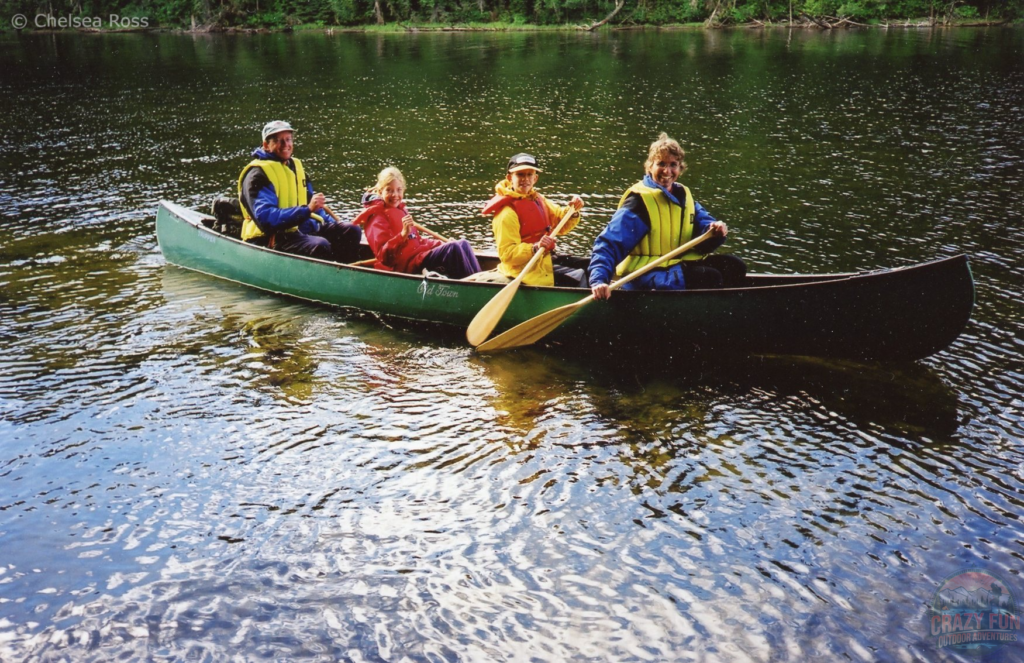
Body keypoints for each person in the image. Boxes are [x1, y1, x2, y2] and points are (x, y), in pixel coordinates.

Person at [588, 133, 746, 300]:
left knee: (735, 266)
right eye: (661, 164)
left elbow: (703, 224)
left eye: (673, 165)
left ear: (680, 168)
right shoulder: (640, 201)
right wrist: (599, 280)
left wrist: (714, 229)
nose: (667, 171)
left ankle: (722, 310)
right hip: (646, 275)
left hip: (674, 267)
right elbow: (610, 242)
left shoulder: (683, 195)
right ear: (649, 167)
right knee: (710, 277)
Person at [238, 120, 362, 263]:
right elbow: (266, 219)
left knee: (351, 230)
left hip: (300, 229)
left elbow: (311, 205)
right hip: (272, 237)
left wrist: (328, 222)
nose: (286, 145)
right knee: (319, 245)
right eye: (278, 141)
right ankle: (329, 280)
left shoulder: (294, 166)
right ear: (266, 145)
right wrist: (306, 210)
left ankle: (348, 273)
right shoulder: (258, 175)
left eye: (288, 139)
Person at [481, 153, 588, 288]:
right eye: (520, 174)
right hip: (525, 270)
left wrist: (573, 211)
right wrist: (535, 247)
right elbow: (507, 255)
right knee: (580, 275)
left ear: (535, 178)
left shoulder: (537, 199)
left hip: (543, 260)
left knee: (590, 265)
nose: (525, 179)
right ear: (510, 178)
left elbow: (560, 224)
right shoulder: (506, 212)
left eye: (529, 174)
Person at [353, 167, 481, 279]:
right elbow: (384, 257)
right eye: (389, 190)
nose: (395, 195)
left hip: (418, 256)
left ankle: (478, 280)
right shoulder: (377, 217)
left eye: (398, 190)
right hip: (406, 266)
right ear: (380, 192)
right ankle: (474, 289)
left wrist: (442, 244)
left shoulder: (399, 209)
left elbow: (416, 240)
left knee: (462, 244)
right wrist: (402, 235)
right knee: (454, 249)